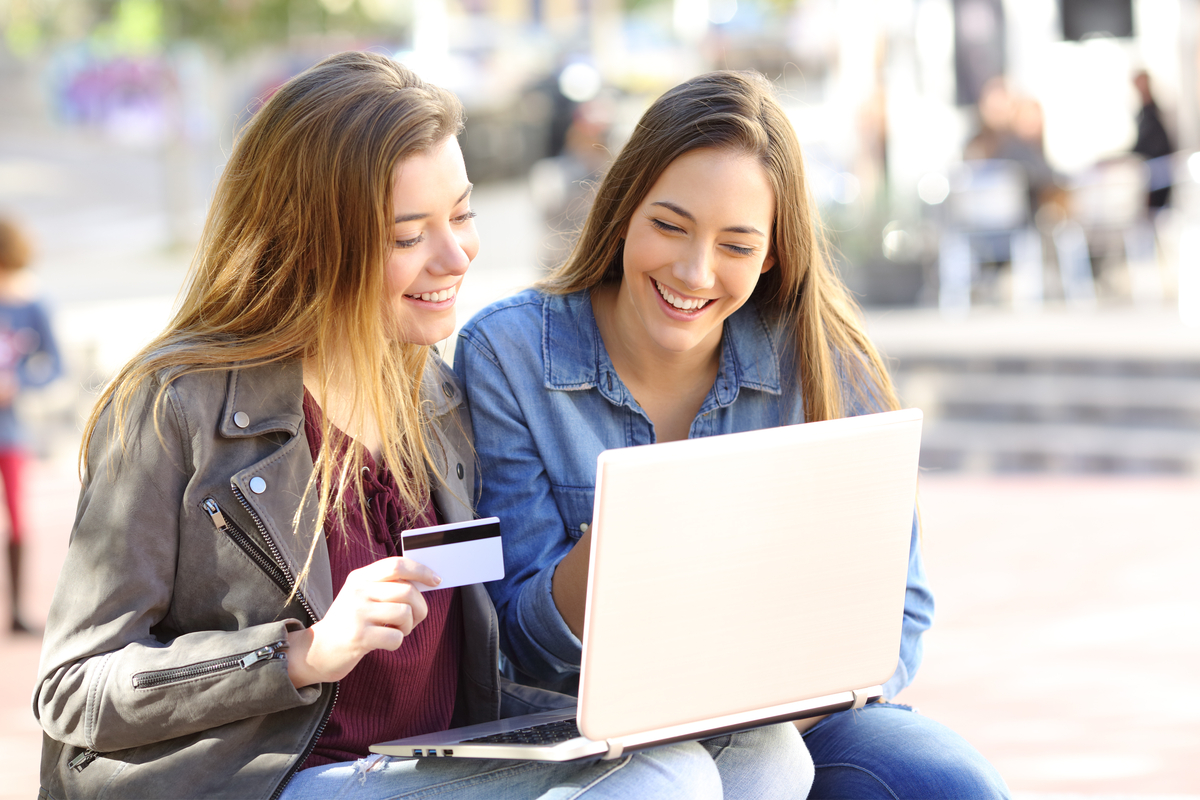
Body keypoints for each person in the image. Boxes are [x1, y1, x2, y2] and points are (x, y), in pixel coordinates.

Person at [33, 52, 748, 800]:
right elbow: (73, 688)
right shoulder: (177, 406)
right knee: (666, 782)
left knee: (759, 758)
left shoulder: (433, 392)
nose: (457, 255)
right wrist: (301, 653)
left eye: (463, 215)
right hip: (280, 780)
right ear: (312, 241)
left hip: (430, 762)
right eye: (410, 237)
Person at [454, 70, 1012, 799]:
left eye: (737, 246)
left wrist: (774, 700)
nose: (694, 271)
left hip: (787, 721)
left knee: (949, 783)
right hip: (588, 732)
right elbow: (514, 643)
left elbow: (898, 610)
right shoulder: (510, 353)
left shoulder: (822, 357)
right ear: (624, 209)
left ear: (774, 253)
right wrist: (615, 551)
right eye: (669, 225)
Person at [0, 216, 62, 635]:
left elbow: (55, 365)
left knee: (20, 519)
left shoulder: (32, 304)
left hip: (11, 428)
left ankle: (18, 611)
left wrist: (19, 382)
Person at [1131, 70, 1173, 210]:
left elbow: (1156, 143)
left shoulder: (1154, 112)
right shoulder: (1143, 112)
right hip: (1152, 170)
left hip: (1159, 171)